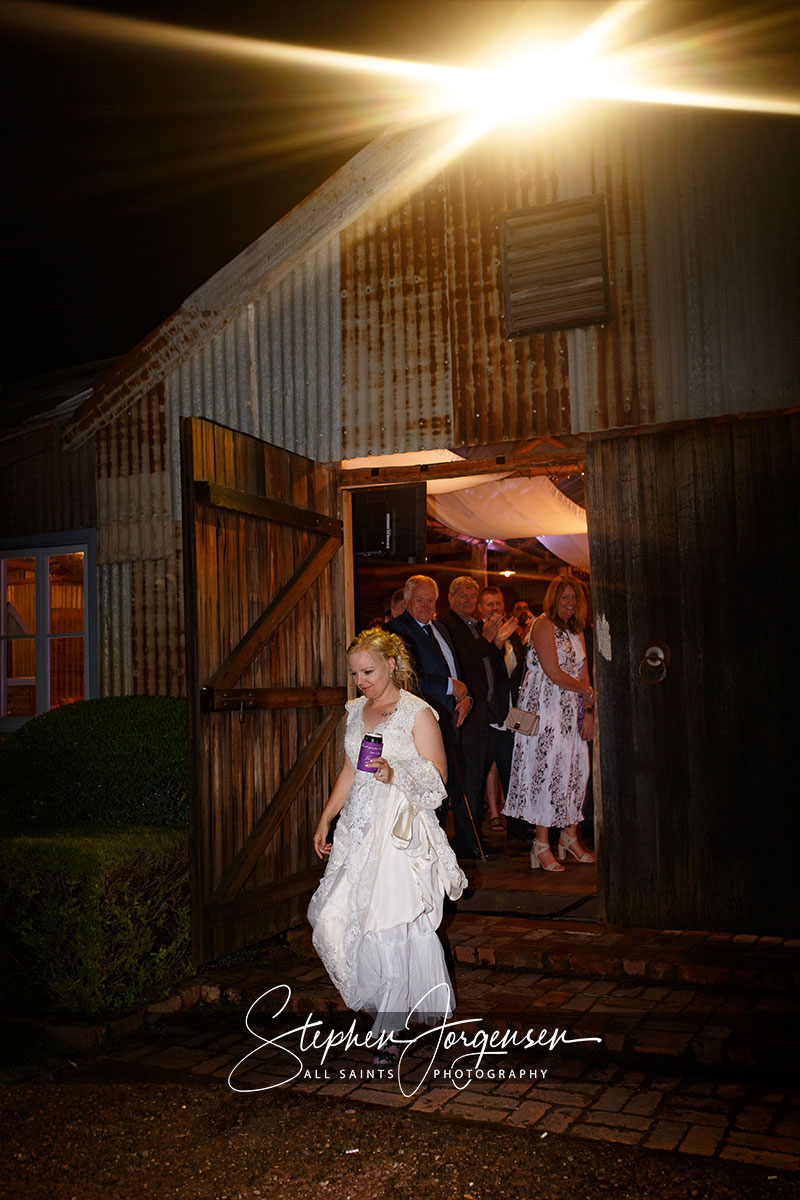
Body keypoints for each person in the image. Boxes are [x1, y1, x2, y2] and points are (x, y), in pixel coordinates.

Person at [308, 628, 466, 1063]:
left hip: (398, 830)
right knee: (332, 917)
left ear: (391, 665)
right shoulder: (354, 711)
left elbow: (439, 776)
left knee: (389, 925)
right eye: (355, 673)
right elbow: (349, 771)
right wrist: (326, 817)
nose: (361, 681)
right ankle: (385, 1007)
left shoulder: (417, 713)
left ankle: (389, 1030)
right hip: (358, 829)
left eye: (368, 672)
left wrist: (395, 773)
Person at [503, 576, 596, 871]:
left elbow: (583, 670)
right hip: (545, 707)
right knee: (546, 770)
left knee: (575, 769)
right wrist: (587, 692)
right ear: (554, 599)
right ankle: (541, 843)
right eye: (565, 597)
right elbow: (553, 672)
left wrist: (589, 708)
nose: (570, 603)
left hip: (571, 708)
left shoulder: (576, 629)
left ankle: (569, 836)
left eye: (574, 597)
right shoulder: (543, 624)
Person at [386, 576, 483, 859]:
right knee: (428, 788)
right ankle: (425, 854)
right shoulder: (396, 630)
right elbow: (407, 677)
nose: (426, 606)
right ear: (407, 601)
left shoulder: (439, 628)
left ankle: (443, 851)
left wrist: (465, 698)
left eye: (431, 600)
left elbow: (455, 669)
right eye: (420, 600)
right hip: (421, 724)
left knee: (448, 786)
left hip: (451, 720)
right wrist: (451, 687)